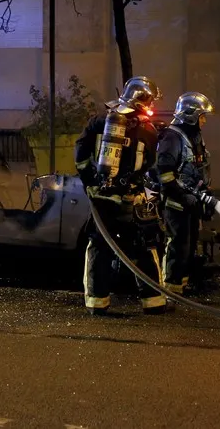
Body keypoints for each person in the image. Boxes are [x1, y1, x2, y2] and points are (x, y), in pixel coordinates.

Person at [74, 76, 168, 316]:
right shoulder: (147, 130)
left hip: (102, 198)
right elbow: (150, 164)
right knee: (145, 247)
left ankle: (97, 301)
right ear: (143, 100)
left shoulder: (99, 122)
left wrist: (91, 183)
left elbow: (81, 153)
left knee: (99, 247)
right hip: (131, 199)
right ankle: (153, 300)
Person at [155, 92, 218, 296]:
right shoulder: (172, 137)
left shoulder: (194, 137)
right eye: (202, 116)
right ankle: (170, 289)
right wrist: (184, 198)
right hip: (176, 203)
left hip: (191, 202)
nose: (204, 121)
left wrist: (205, 195)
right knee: (177, 245)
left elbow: (199, 168)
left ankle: (180, 287)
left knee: (189, 246)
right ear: (190, 114)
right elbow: (165, 174)